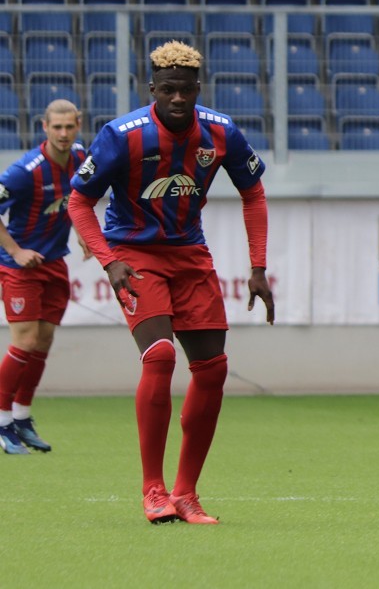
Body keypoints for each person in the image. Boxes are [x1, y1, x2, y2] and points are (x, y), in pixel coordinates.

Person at [68, 41, 275, 524]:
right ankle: (153, 490)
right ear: (152, 90)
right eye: (168, 90)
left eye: (186, 89)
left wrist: (258, 267)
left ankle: (186, 493)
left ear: (197, 89)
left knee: (213, 370)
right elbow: (79, 201)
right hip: (134, 254)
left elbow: (254, 193)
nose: (178, 98)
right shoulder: (122, 135)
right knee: (160, 356)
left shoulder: (221, 131)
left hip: (190, 255)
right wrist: (108, 261)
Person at [0, 99, 91, 455]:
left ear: (78, 124)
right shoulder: (25, 171)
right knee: (24, 341)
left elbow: (78, 199)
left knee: (43, 342)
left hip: (53, 262)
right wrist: (16, 251)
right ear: (44, 127)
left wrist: (82, 233)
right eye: (57, 127)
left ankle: (22, 417)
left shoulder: (81, 157)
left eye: (69, 126)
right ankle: (2, 422)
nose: (63, 133)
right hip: (19, 267)